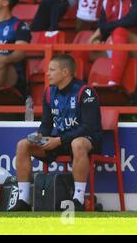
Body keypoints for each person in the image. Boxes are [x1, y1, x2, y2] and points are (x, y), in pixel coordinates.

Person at [11, 54, 102, 211]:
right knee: (23, 145)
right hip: (60, 141)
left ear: (65, 72)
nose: (47, 73)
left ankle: (78, 200)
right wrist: (39, 136)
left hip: (86, 140)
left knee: (77, 143)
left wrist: (58, 140)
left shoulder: (85, 92)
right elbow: (46, 125)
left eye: (52, 70)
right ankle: (23, 200)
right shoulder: (49, 93)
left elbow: (89, 126)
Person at [0, 0, 31, 93]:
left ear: (5, 2)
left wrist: (5, 58)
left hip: (13, 74)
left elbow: (20, 52)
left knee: (2, 59)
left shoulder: (19, 25)